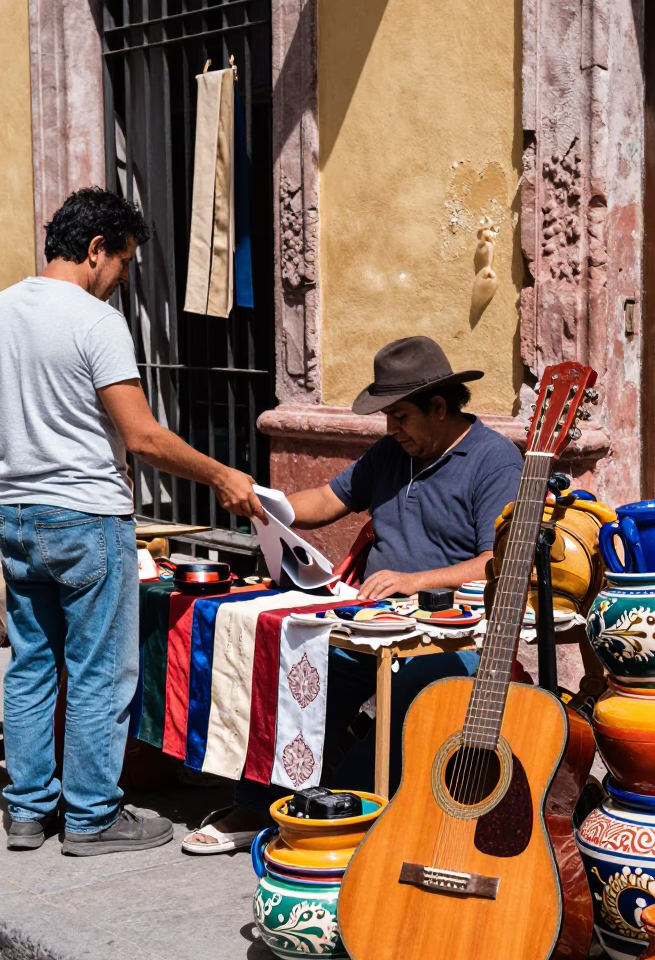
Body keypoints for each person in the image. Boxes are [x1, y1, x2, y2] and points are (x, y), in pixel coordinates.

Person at [0, 187, 265, 855]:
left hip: (16, 512)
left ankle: (27, 812)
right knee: (97, 671)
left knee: (32, 663)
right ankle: (91, 817)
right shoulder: (94, 322)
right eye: (124, 264)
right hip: (87, 516)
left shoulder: (3, 311)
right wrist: (222, 475)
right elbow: (142, 436)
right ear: (97, 250)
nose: (123, 281)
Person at [183, 336, 524, 853]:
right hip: (372, 618)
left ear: (438, 407)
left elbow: (494, 560)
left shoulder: (494, 461)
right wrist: (264, 504)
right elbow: (326, 499)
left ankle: (340, 817)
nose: (391, 429)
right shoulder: (391, 452)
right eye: (387, 417)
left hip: (450, 631)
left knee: (402, 707)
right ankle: (256, 806)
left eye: (400, 416)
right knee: (299, 671)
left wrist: (415, 581)